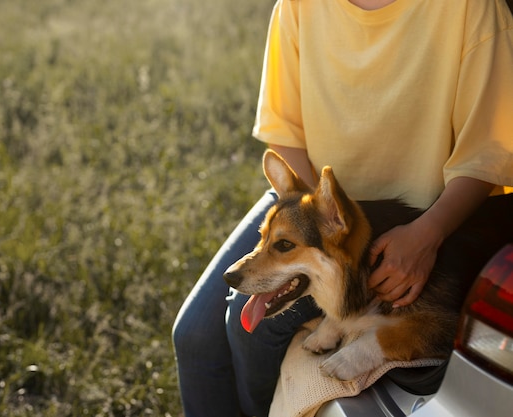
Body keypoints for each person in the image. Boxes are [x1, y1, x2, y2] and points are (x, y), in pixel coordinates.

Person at [172, 0, 513, 416]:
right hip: (310, 205)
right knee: (192, 336)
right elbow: (284, 131)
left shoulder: (472, 8)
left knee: (248, 332)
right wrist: (313, 219)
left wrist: (428, 234)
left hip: (418, 220)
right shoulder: (298, 6)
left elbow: (489, 150)